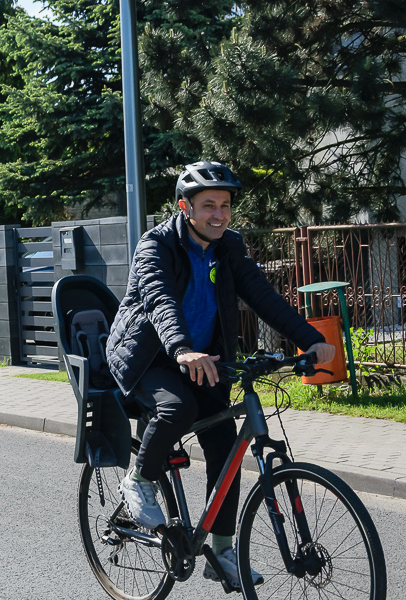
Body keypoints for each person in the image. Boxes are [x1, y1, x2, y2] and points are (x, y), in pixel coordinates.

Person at [105, 161, 335, 589]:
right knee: (178, 407)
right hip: (149, 357)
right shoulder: (155, 246)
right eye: (208, 205)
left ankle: (223, 552)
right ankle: (137, 482)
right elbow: (159, 300)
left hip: (202, 359)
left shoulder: (229, 247)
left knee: (226, 447)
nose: (218, 214)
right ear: (184, 207)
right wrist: (182, 348)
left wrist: (308, 338)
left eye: (225, 205)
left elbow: (264, 297)